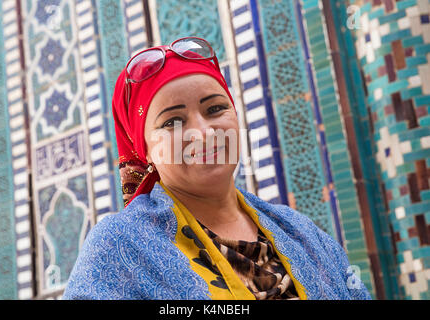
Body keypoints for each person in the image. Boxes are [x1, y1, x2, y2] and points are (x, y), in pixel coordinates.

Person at [63, 36, 371, 300]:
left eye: (215, 109)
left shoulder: (300, 232)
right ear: (145, 151)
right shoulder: (120, 246)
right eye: (172, 121)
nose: (205, 133)